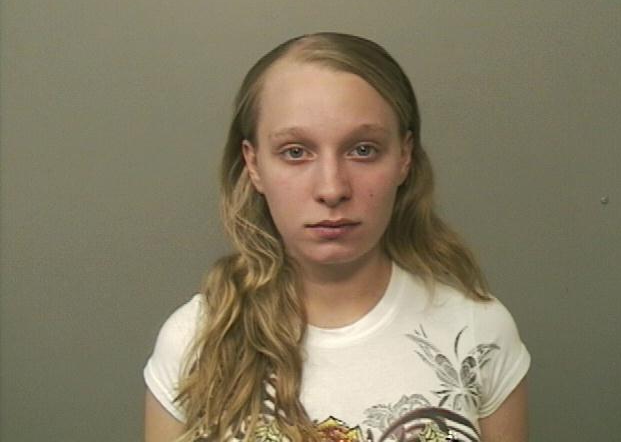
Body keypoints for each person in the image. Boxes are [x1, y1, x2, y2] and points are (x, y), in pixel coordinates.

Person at [143, 33, 530, 442]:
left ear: (404, 157)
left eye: (363, 150)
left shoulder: (477, 333)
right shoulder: (193, 343)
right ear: (253, 165)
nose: (332, 189)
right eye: (295, 152)